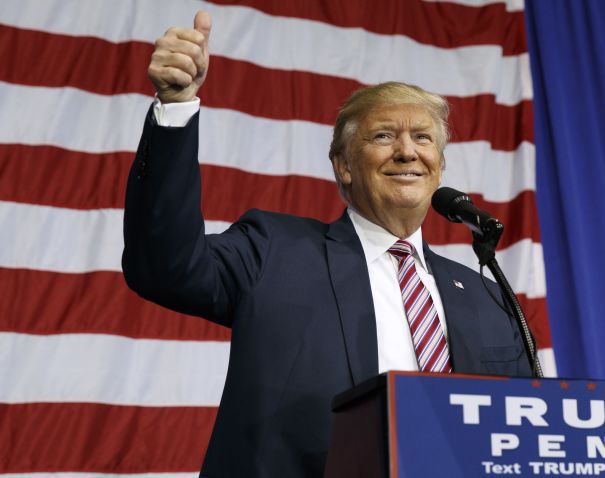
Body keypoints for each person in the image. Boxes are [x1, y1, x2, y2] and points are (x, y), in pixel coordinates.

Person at [123, 10, 531, 477]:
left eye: (423, 138)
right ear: (343, 165)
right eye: (383, 136)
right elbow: (164, 266)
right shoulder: (273, 251)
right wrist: (176, 106)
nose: (407, 151)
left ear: (438, 165)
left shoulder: (486, 296)